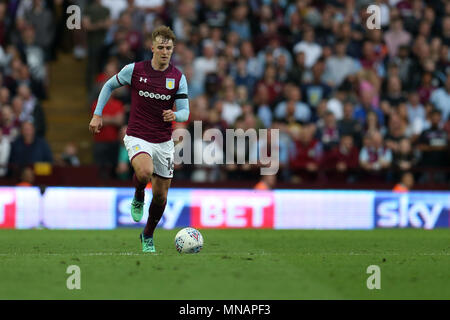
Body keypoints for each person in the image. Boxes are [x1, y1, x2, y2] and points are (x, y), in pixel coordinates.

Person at [88, 26, 189, 253]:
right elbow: (108, 85)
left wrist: (175, 115)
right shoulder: (135, 70)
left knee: (161, 196)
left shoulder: (177, 78)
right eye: (161, 47)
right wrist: (97, 114)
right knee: (144, 172)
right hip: (137, 135)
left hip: (163, 141)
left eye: (169, 48)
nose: (165, 51)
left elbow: (185, 112)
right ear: (152, 47)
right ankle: (138, 194)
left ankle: (148, 235)